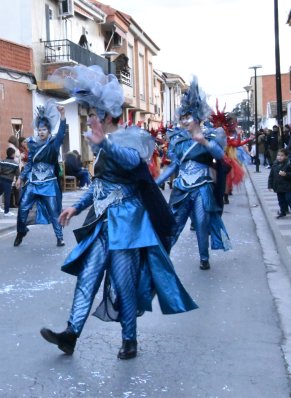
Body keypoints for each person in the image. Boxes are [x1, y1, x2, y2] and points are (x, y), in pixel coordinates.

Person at [39, 64, 197, 359]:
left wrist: (105, 144)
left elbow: (132, 163)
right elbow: (100, 185)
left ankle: (129, 340)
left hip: (129, 223)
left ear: (109, 117)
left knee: (124, 284)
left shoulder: (134, 139)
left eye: (94, 116)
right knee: (88, 277)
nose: (89, 121)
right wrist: (76, 206)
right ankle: (71, 334)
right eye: (88, 116)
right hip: (102, 222)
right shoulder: (103, 145)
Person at [156, 77, 231, 270]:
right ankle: (164, 258)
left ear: (197, 117)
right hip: (181, 188)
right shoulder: (178, 140)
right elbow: (174, 166)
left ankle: (204, 258)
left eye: (187, 117)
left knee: (201, 223)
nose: (183, 121)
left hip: (202, 188)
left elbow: (220, 155)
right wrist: (155, 181)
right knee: (173, 224)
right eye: (182, 118)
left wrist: (204, 143)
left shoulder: (211, 136)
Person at [14, 101, 65, 247]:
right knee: (23, 207)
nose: (41, 132)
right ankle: (21, 231)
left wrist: (62, 115)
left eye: (43, 130)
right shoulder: (32, 144)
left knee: (53, 211)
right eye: (39, 130)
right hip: (33, 182)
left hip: (49, 182)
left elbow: (61, 133)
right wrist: (21, 177)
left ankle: (60, 237)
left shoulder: (54, 143)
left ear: (48, 131)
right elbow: (30, 163)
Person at [268, 149, 291, 218]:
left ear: (286, 157)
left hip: (288, 187)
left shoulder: (288, 164)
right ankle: (283, 212)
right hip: (278, 187)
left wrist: (286, 174)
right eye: (278, 155)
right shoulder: (275, 164)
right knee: (281, 200)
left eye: (282, 155)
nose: (279, 157)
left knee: (288, 199)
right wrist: (270, 186)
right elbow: (271, 176)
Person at [0, 147, 20, 216]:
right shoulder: (15, 164)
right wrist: (17, 181)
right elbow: (18, 174)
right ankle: (6, 211)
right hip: (8, 181)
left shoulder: (2, 161)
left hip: (1, 179)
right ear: (13, 154)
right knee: (7, 196)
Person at [7, 135, 21, 207]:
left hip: (15, 167)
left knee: (15, 186)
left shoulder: (12, 147)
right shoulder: (12, 147)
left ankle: (15, 202)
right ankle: (14, 203)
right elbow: (14, 157)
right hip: (14, 168)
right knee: (14, 186)